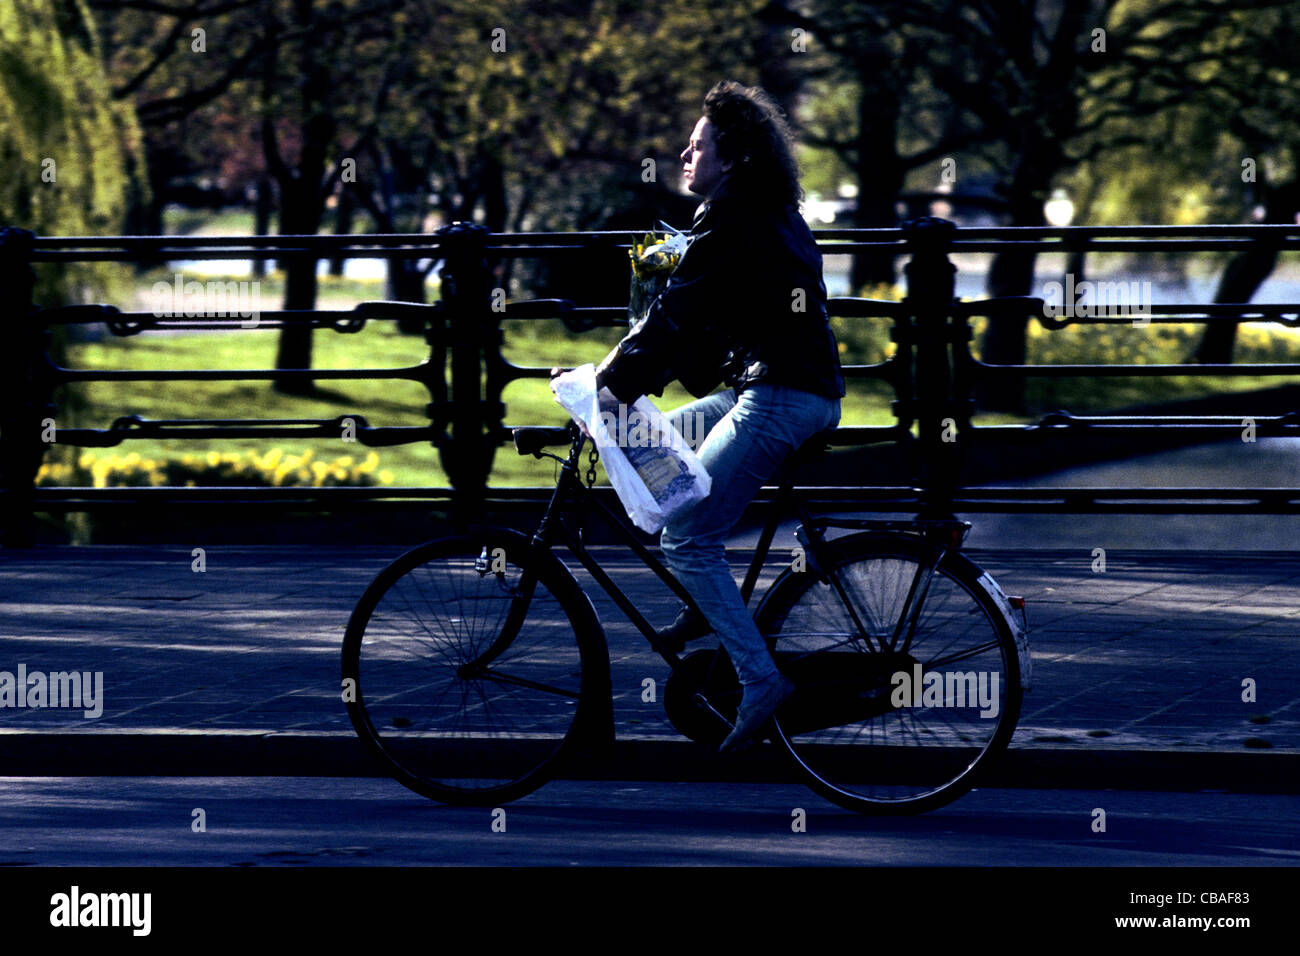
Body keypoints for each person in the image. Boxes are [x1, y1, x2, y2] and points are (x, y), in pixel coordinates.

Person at [588, 81, 845, 752]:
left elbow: (676, 314)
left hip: (780, 396)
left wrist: (608, 389)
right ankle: (706, 606)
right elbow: (706, 322)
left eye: (698, 145)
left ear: (731, 160)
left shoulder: (731, 216)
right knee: (665, 440)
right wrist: (627, 378)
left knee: (687, 537)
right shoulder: (768, 211)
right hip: (782, 388)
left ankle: (760, 681)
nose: (683, 152)